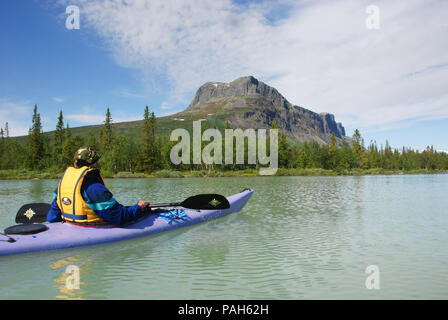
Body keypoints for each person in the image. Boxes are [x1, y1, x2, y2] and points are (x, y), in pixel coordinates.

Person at [47, 147, 151, 227]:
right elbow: (120, 217)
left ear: (75, 164)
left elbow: (52, 218)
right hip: (89, 229)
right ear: (94, 164)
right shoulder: (95, 188)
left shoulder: (62, 185)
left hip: (70, 227)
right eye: (96, 161)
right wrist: (139, 207)